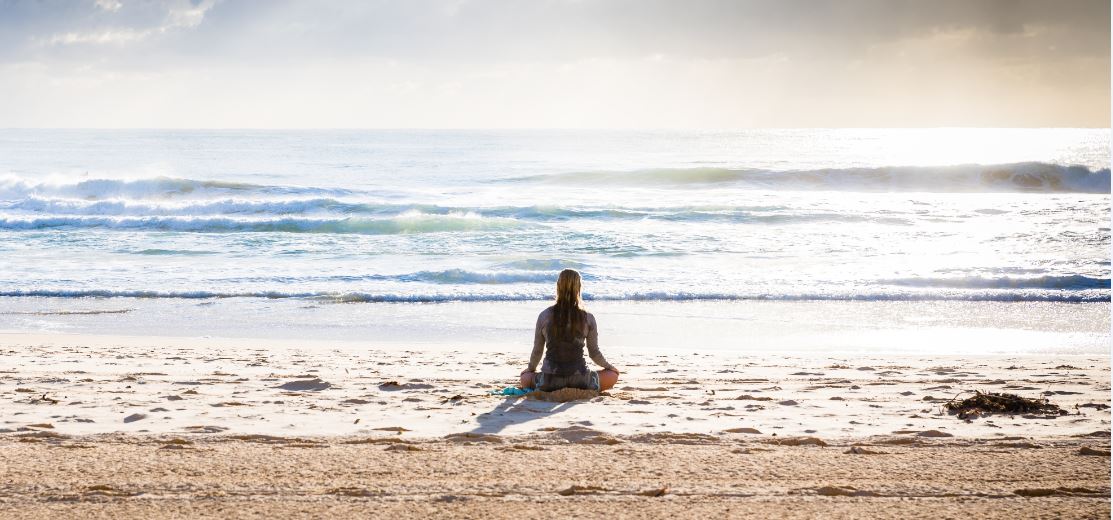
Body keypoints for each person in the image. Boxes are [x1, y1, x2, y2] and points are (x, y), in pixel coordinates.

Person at [520, 269, 620, 392]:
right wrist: (610, 367)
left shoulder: (544, 315)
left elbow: (537, 351)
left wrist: (530, 369)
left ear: (558, 286)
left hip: (550, 380)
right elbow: (594, 353)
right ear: (579, 287)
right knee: (613, 375)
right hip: (580, 379)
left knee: (524, 377)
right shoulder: (588, 317)